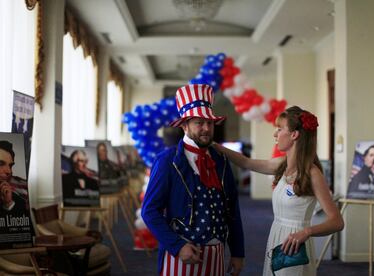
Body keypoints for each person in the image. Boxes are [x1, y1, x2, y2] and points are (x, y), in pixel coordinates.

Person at [213, 106, 344, 276]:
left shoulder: (313, 174)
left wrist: (307, 232)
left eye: (279, 129)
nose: (275, 134)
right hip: (276, 236)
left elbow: (337, 221)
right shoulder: (282, 164)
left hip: (295, 244)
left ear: (294, 135)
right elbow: (246, 162)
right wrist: (214, 146)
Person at [142, 84, 245, 276]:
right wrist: (178, 246)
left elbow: (232, 210)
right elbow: (149, 211)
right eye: (199, 122)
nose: (206, 128)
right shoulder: (167, 161)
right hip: (181, 256)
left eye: (210, 123)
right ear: (184, 125)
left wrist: (238, 252)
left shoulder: (221, 160)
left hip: (216, 256)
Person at [0, 140, 29, 216]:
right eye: (1, 164)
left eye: (10, 165)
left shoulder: (17, 197)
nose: (9, 171)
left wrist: (8, 204)